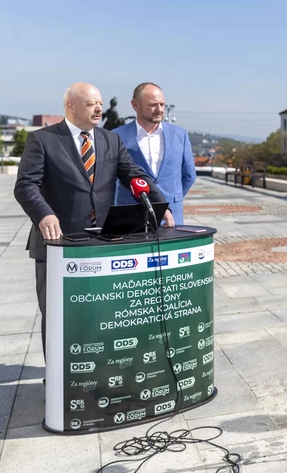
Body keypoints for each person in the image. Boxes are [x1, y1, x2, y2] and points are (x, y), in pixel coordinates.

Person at [14, 83, 172, 356]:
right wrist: (44, 213)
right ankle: (57, 380)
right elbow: (26, 186)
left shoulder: (111, 140)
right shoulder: (43, 139)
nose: (99, 108)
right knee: (58, 315)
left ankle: (97, 372)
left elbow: (134, 175)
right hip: (58, 244)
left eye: (99, 103)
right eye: (91, 104)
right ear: (71, 106)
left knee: (99, 315)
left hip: (101, 242)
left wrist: (158, 204)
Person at [113, 83, 197, 225]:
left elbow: (189, 175)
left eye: (162, 104)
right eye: (153, 105)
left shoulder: (180, 135)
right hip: (131, 216)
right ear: (135, 105)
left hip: (171, 217)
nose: (159, 110)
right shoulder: (116, 136)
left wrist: (172, 199)